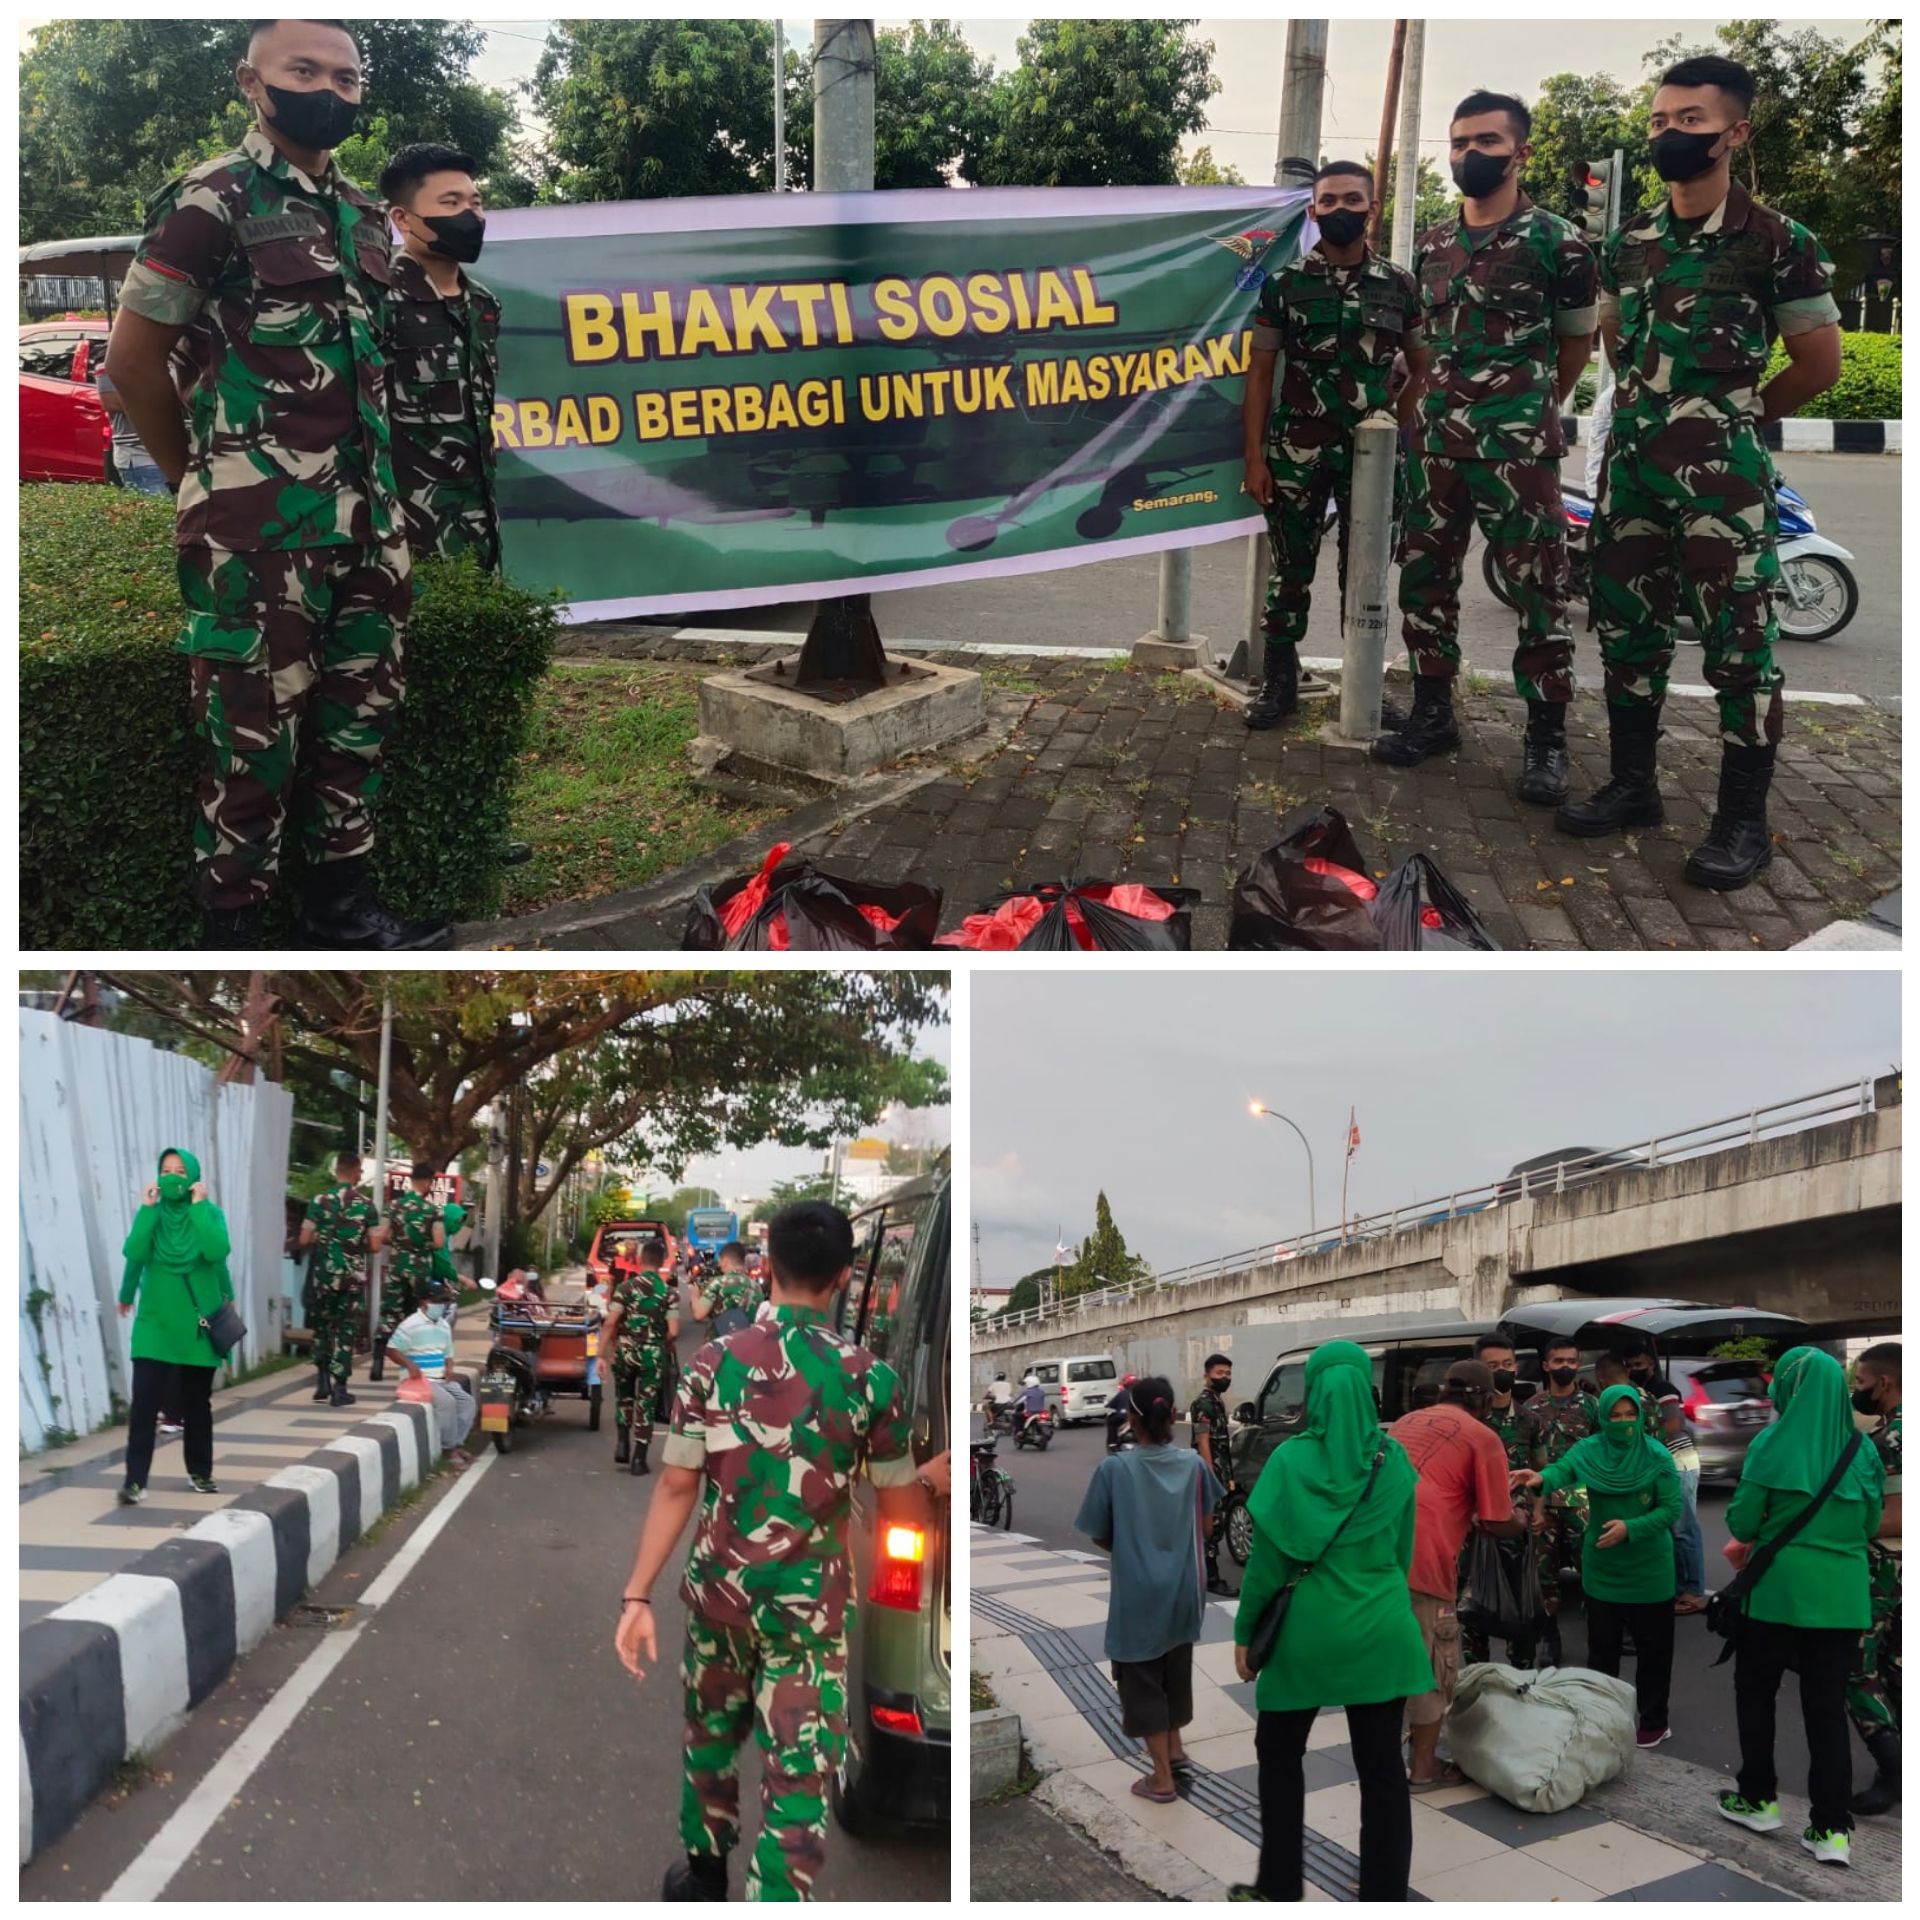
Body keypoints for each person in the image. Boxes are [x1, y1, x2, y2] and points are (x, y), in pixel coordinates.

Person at [103, 19, 445, 951]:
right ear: (252, 82)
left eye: (346, 77)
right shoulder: (211, 199)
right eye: (305, 71)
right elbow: (134, 365)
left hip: (370, 528)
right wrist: (197, 484)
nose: (328, 90)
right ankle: (236, 937)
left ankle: (342, 915)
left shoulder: (371, 219)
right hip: (256, 535)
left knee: (358, 725)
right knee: (250, 741)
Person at [1557, 55, 1843, 888]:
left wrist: (1733, 418)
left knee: (1740, 648)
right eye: (1658, 121)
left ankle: (1740, 823)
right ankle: (1633, 786)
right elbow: (1616, 340)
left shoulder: (1778, 242)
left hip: (1725, 484)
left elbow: (1817, 363)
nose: (1669, 134)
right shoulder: (1630, 244)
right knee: (1626, 631)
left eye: (1690, 121)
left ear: (1734, 132)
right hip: (1635, 474)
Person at [612, 1201, 930, 1900]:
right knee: (798, 1778)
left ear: (767, 1270)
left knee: (711, 1739)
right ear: (845, 1277)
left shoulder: (711, 1364)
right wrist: (923, 1485)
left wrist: (637, 1594)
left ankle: (701, 1875)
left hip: (718, 1604)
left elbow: (674, 1487)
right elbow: (902, 1509)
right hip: (809, 1620)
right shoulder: (870, 1380)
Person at [1374, 90, 1597, 803]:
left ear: (1521, 152)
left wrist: (1527, 408)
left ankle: (1545, 739)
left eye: (1487, 142)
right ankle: (1433, 714)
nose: (1471, 154)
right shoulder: (1435, 244)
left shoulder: (1558, 242)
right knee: (1425, 584)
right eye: (1460, 141)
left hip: (1516, 449)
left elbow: (1575, 345)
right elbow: (1426, 344)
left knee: (1539, 590)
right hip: (1436, 443)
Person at [1230, 1342, 1427, 1902]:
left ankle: (1280, 1886)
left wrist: (1246, 1636)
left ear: (1313, 1393)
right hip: (1383, 1631)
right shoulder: (1394, 1462)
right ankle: (1385, 1896)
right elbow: (1401, 1554)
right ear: (1366, 1390)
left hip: (1305, 1637)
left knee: (1279, 1754)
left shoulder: (1291, 1461)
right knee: (1383, 1769)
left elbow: (1265, 1568)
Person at [1240, 160, 1426, 730]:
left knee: (1363, 571)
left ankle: (1362, 682)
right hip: (1298, 447)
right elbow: (1260, 371)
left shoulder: (1399, 285)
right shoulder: (1286, 283)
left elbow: (1423, 364)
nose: (1339, 210)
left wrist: (1397, 417)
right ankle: (1280, 680)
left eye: (1352, 200)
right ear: (1313, 210)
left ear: (1372, 210)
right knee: (1289, 570)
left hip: (1372, 457)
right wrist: (1254, 457)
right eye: (1329, 201)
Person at [1714, 1347, 1883, 1866]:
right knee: (1825, 1709)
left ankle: (1758, 1798)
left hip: (1777, 1593)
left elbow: (1742, 1524)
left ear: (1788, 1388)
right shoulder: (1864, 1450)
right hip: (1842, 1599)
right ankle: (1832, 1830)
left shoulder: (1771, 1443)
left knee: (1756, 1692)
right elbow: (1869, 1524)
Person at [1074, 1377, 1220, 1804]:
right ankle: (1175, 1750)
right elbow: (1208, 1526)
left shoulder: (1114, 1469)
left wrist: (1134, 1546)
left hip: (1138, 1594)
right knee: (1175, 1667)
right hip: (1186, 1590)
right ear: (1172, 1416)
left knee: (1141, 1679)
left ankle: (1161, 1778)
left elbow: (1098, 1532)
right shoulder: (1194, 1465)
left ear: (1131, 1419)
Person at [1513, 1383, 1682, 1747]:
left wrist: (1630, 1528)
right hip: (1603, 1571)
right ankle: (1605, 1719)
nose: (1623, 1423)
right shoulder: (1590, 1449)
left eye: (1630, 1415)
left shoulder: (1657, 1456)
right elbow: (1564, 1468)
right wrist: (1541, 1479)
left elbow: (1671, 1510)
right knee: (1602, 1652)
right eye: (1615, 1416)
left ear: (1640, 1416)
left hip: (1651, 1571)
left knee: (1654, 1654)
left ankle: (1654, 1721)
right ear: (1602, 1418)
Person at [1390, 1358, 1524, 1789]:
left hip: (1374, 1559)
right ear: (1485, 1398)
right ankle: (1424, 1769)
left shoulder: (1405, 1423)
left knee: (1386, 1665)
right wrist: (1523, 1518)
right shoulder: (1483, 1436)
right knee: (1432, 1667)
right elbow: (1495, 1519)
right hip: (1425, 1563)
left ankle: (1380, 1761)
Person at [116, 1149, 233, 1505]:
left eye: (180, 1172)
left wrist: (198, 1207)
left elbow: (217, 1253)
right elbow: (134, 1252)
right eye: (165, 1171)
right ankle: (135, 1480)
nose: (172, 1178)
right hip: (155, 1324)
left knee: (197, 1403)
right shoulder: (152, 1216)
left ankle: (200, 1471)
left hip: (196, 1325)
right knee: (145, 1405)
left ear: (195, 1177)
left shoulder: (210, 1214)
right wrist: (147, 1211)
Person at [1460, 1334, 1542, 1667]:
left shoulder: (1529, 1419)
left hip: (1516, 1529)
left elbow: (1541, 1470)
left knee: (1521, 1611)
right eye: (1493, 1367)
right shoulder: (1465, 1420)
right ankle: (1477, 1681)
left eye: (1508, 1365)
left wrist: (1539, 1509)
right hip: (1472, 1531)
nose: (1503, 1372)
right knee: (1472, 1610)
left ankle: (1520, 1680)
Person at [1517, 1336, 1599, 1663]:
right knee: (1543, 1574)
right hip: (1545, 1502)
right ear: (1546, 1365)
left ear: (1578, 1364)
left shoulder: (1592, 1407)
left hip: (1582, 1502)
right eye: (1558, 1361)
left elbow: (1602, 1453)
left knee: (1591, 1568)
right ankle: (1550, 1639)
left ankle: (1600, 1633)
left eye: (1571, 1361)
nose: (1565, 1367)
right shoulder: (1532, 1407)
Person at [1847, 1343, 1901, 1815]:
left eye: (1861, 1383)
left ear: (1884, 1383)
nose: (1857, 1392)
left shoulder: (1894, 1439)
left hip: (1887, 1568)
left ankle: (1894, 1766)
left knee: (1856, 1668)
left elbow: (1898, 1516)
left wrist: (1842, 1523)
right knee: (1897, 1668)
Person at [1622, 1339, 1707, 1614]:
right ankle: (1678, 1587)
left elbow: (1673, 1425)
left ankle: (1693, 1591)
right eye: (1631, 1365)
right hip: (1661, 1466)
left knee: (1684, 1529)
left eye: (1640, 1364)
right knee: (1670, 1530)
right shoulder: (1639, 1392)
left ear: (1651, 1364)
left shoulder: (1663, 1390)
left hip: (1678, 1462)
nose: (1635, 1369)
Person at [299, 1150, 387, 1407]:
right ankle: (340, 1388)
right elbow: (374, 1246)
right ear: (354, 1172)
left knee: (323, 1328)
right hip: (351, 1279)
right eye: (360, 1171)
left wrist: (325, 1239)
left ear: (337, 1171)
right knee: (346, 1331)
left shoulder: (319, 1201)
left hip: (323, 1277)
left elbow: (304, 1239)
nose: (361, 1175)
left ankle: (322, 1381)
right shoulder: (367, 1205)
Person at [601, 1235, 677, 1472]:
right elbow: (674, 1331)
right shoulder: (668, 1293)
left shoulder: (625, 1288)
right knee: (646, 1404)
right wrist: (658, 1342)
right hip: (652, 1355)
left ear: (642, 1260)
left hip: (625, 1351)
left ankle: (623, 1444)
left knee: (624, 1398)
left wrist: (601, 1354)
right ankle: (638, 1459)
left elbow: (610, 1323)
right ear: (662, 1261)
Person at [384, 1276, 473, 1469]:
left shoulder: (442, 1325)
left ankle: (457, 1443)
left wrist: (449, 1367)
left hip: (441, 1378)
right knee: (447, 1403)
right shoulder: (410, 1324)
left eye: (443, 1301)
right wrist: (409, 1365)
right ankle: (448, 1450)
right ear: (425, 1302)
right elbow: (391, 1349)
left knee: (466, 1402)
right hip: (421, 1380)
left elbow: (448, 1351)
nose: (441, 1305)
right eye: (438, 1301)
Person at [374, 1163, 443, 1381]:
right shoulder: (432, 1211)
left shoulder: (392, 1206)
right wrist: (423, 1245)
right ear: (426, 1182)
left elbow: (382, 1234)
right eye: (431, 1182)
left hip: (396, 1266)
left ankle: (377, 1363)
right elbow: (439, 1242)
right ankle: (414, 1364)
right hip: (419, 1269)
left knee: (390, 1313)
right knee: (417, 1315)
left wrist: (397, 1243)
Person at [1190, 1352, 1238, 1596]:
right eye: (1220, 1373)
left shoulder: (1217, 1400)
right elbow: (1203, 1440)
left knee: (1215, 1523)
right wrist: (1209, 1474)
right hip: (1211, 1472)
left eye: (1228, 1373)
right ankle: (1211, 1578)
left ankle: (1206, 1574)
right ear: (1207, 1375)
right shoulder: (1203, 1403)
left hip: (1221, 1470)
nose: (1225, 1377)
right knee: (1212, 1523)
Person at [690, 1241, 762, 1337]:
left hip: (720, 1345)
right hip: (747, 1345)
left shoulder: (719, 1283)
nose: (719, 1264)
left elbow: (699, 1314)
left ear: (725, 1261)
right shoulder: (756, 1287)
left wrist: (694, 1295)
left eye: (720, 1260)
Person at [1107, 1373, 1139, 1451]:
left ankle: (1112, 1443)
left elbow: (1111, 1405)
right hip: (1139, 1418)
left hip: (1122, 1417)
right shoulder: (1142, 1393)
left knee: (1110, 1422)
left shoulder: (1122, 1393)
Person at [1014, 1371, 1047, 1439]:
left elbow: (1018, 1401)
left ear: (1029, 1383)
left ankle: (1019, 1431)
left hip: (1030, 1413)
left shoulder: (1027, 1392)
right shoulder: (1042, 1392)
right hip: (1041, 1412)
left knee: (1016, 1415)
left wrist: (1012, 1404)